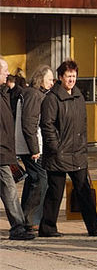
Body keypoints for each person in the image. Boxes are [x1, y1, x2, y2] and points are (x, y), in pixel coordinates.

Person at [39, 59, 97, 237]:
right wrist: (55, 148)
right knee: (55, 193)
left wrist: (83, 147)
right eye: (68, 76)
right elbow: (47, 126)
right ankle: (48, 228)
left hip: (78, 153)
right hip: (58, 155)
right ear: (60, 77)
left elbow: (83, 124)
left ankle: (94, 227)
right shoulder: (51, 99)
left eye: (74, 76)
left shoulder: (79, 96)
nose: (71, 79)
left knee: (84, 191)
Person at [15, 65, 54, 231]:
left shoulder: (34, 94)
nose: (52, 82)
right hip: (30, 147)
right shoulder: (33, 94)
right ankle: (29, 218)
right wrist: (35, 149)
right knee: (41, 179)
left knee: (34, 179)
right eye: (50, 79)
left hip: (29, 146)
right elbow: (29, 124)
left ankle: (25, 217)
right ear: (41, 79)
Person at [0, 57, 35, 240]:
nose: (8, 73)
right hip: (1, 153)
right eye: (4, 70)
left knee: (9, 190)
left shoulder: (4, 92)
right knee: (10, 190)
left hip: (6, 151)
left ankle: (19, 226)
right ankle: (18, 227)